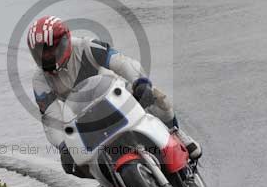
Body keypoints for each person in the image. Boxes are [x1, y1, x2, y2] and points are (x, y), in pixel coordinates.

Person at [28, 15, 201, 178]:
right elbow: (50, 118)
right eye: (41, 53)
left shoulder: (87, 46)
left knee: (157, 98)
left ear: (65, 41)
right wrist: (63, 146)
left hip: (115, 97)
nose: (46, 57)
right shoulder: (39, 79)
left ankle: (175, 132)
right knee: (76, 165)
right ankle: (115, 180)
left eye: (50, 51)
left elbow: (121, 62)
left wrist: (140, 81)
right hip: (83, 119)